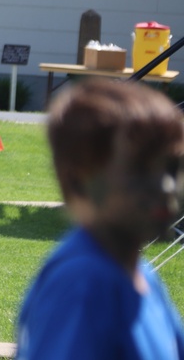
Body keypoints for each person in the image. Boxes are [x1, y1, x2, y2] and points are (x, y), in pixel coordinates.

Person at [15, 79, 184, 359]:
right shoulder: (84, 283)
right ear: (78, 180)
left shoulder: (139, 273)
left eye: (173, 167)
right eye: (140, 168)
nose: (165, 187)